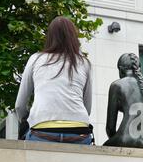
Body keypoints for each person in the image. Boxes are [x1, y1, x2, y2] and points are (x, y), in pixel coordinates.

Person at [15, 16, 93, 145]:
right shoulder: (84, 63)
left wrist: (27, 121)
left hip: (42, 131)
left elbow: (19, 105)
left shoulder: (35, 59)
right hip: (79, 131)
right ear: (74, 37)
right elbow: (87, 107)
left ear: (50, 37)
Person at [103, 53, 143, 149]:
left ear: (121, 69)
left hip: (127, 139)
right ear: (139, 69)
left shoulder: (117, 85)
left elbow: (110, 128)